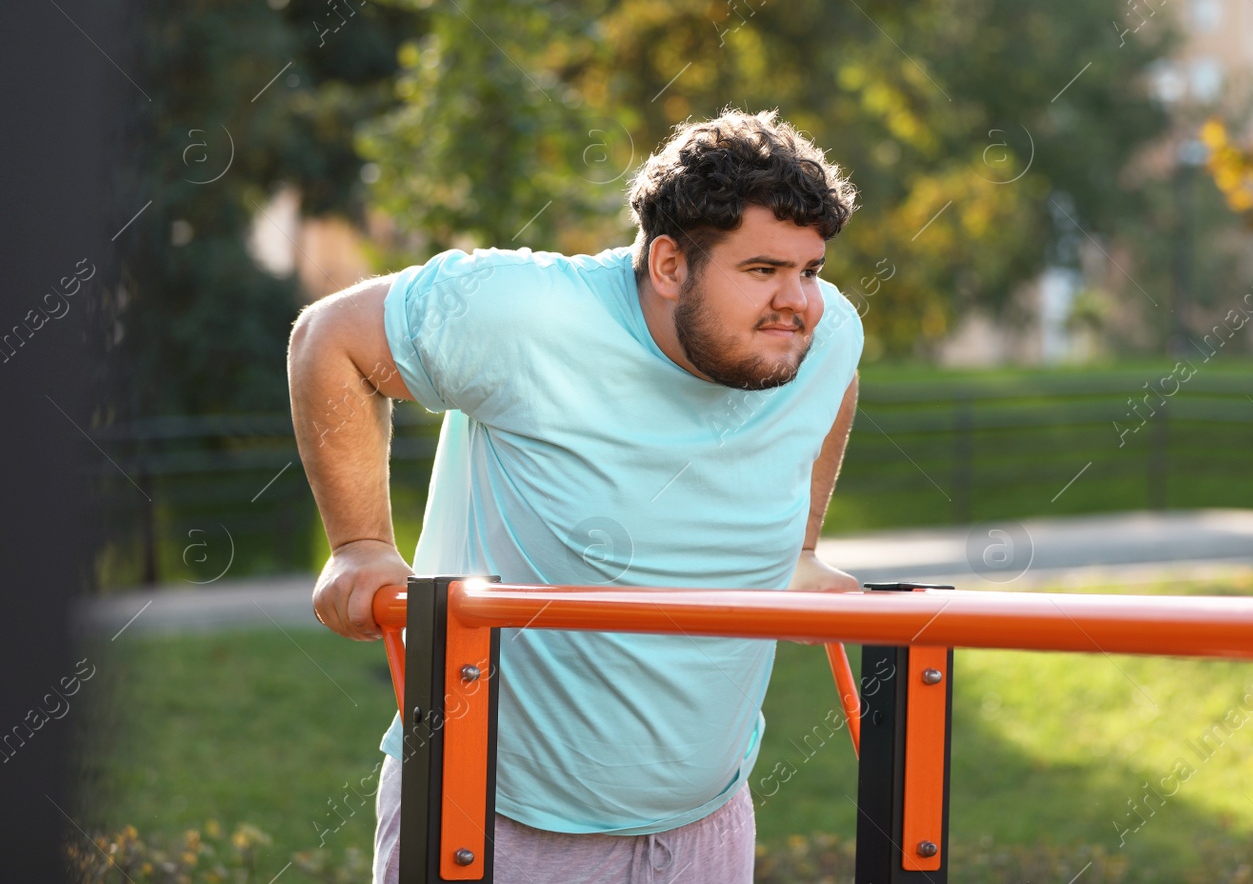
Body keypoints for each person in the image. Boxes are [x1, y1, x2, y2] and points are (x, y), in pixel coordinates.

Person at [286, 106, 865, 884]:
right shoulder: (523, 312)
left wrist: (797, 551)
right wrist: (359, 544)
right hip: (495, 822)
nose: (797, 302)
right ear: (668, 265)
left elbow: (836, 376)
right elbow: (329, 339)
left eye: (811, 270)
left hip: (707, 828)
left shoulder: (818, 338)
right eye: (762, 271)